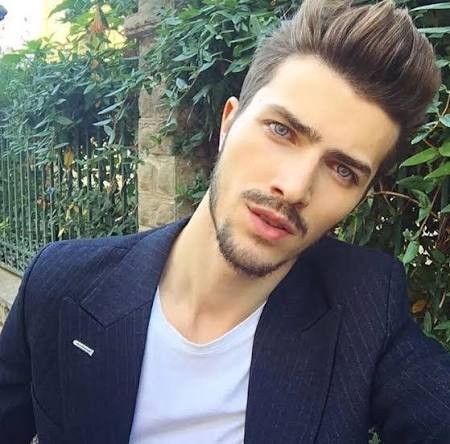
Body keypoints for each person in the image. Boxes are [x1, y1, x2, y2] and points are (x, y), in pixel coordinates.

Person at [1, 0, 449, 443]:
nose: (295, 187)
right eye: (282, 131)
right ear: (228, 123)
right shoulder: (62, 283)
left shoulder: (365, 305)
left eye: (343, 170)